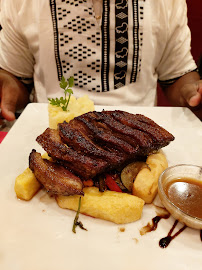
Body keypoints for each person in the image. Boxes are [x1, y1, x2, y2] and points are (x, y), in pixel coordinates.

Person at [0, 0, 201, 122]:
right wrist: (6, 90)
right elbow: (16, 77)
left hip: (139, 136)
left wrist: (193, 92)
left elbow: (176, 76)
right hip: (49, 136)